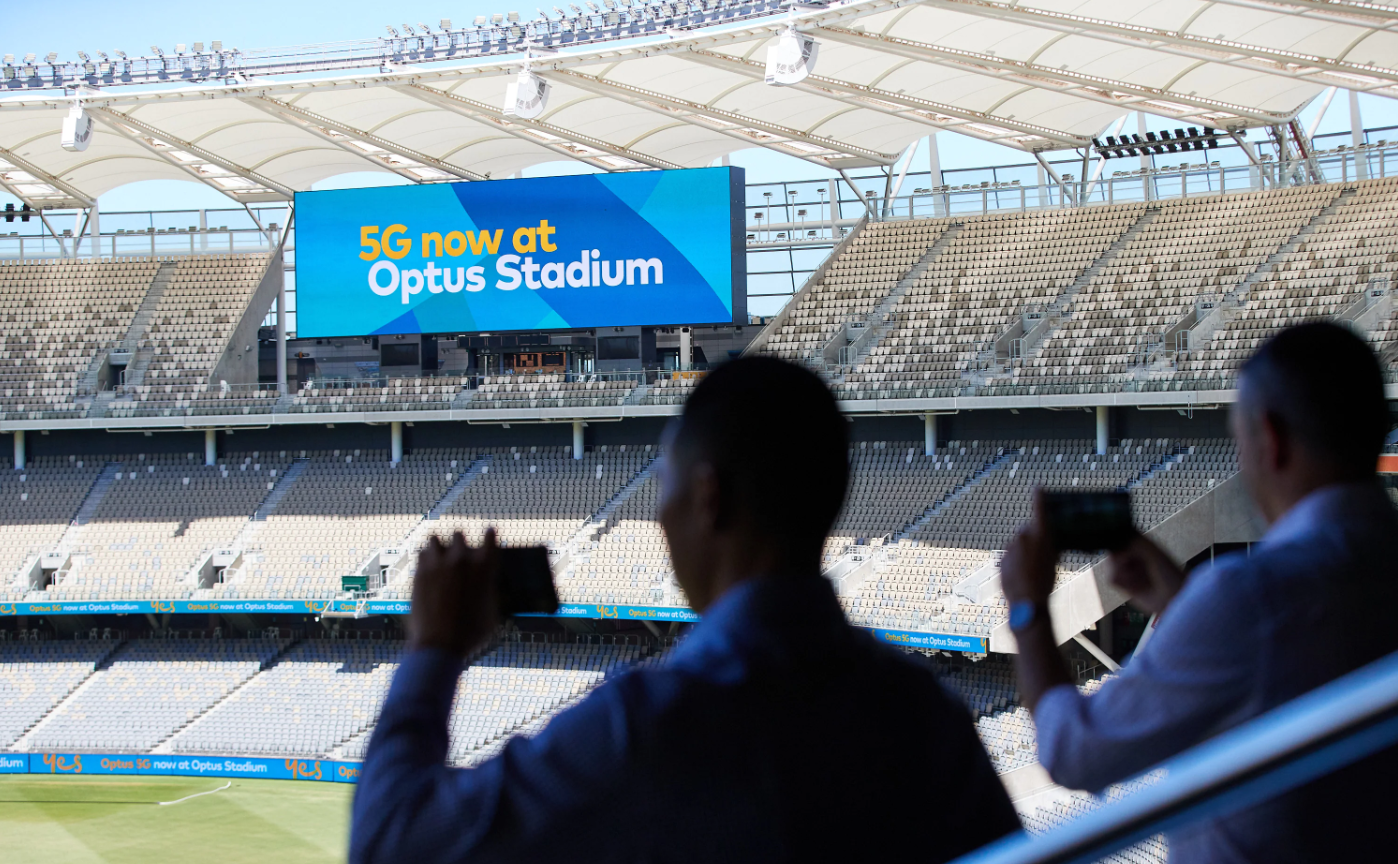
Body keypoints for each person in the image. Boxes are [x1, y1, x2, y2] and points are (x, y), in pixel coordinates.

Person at [350, 356, 1021, 864]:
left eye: (663, 487)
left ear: (708, 497)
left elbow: (390, 839)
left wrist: (432, 649)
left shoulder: (648, 724)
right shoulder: (927, 717)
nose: (660, 515)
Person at [999, 321, 1398, 863]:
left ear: (1272, 439)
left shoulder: (1250, 597)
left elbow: (1074, 751)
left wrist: (1028, 609)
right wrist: (1184, 604)